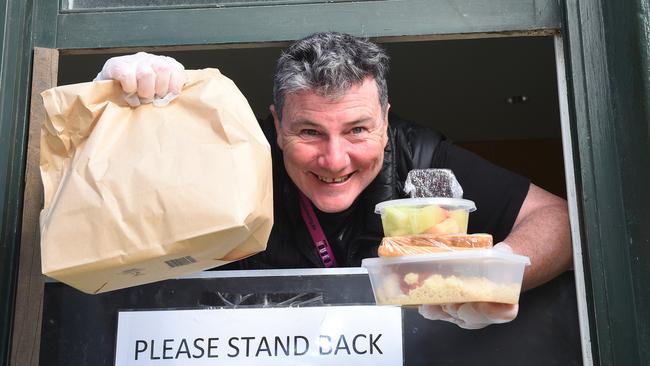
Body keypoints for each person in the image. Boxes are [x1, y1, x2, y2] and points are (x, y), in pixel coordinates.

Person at [96, 32, 572, 329]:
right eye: (308, 131)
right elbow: (126, 216)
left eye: (358, 130)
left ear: (385, 121)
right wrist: (125, 112)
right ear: (277, 125)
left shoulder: (421, 156)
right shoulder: (236, 161)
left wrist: (498, 274)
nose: (335, 158)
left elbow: (559, 218)